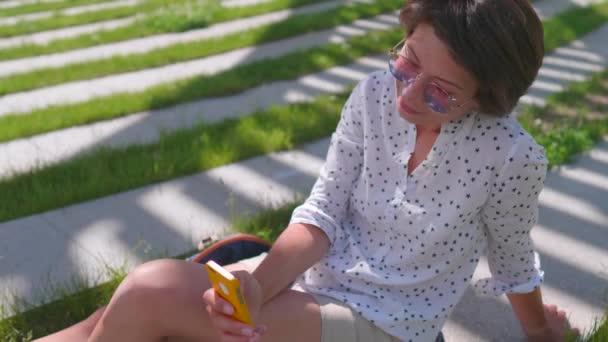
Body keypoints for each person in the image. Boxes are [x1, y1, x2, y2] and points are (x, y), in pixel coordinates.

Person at [35, 0, 581, 341]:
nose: (408, 95)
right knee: (115, 312)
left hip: (390, 322)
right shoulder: (372, 95)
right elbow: (323, 211)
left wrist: (538, 331)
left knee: (151, 291)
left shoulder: (511, 156)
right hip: (314, 282)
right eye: (409, 59)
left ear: (488, 99)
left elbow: (512, 257)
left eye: (441, 90)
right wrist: (258, 286)